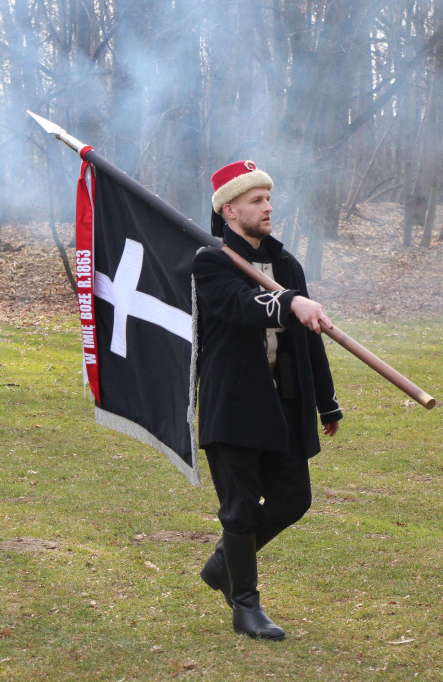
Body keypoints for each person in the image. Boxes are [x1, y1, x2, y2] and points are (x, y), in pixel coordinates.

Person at [193, 160, 342, 640]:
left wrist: (326, 401)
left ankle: (225, 563)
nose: (268, 207)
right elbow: (238, 306)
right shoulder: (210, 262)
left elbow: (310, 338)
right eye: (256, 200)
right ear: (230, 210)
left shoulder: (287, 264)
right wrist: (288, 302)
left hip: (286, 403)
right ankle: (245, 605)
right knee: (239, 508)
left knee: (293, 498)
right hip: (234, 402)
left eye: (269, 198)